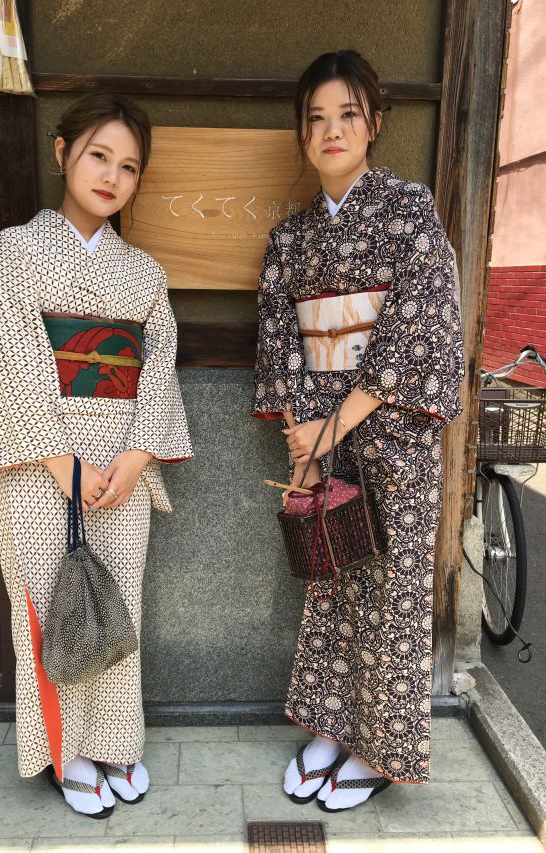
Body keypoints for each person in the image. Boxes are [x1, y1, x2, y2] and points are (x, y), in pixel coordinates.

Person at [0, 93, 193, 818]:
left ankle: (115, 741)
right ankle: (67, 754)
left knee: (119, 609)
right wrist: (64, 464)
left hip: (119, 469)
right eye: (98, 156)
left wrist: (136, 455)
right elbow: (7, 362)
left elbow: (158, 367)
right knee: (51, 611)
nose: (112, 176)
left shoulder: (143, 273)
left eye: (129, 166)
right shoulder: (17, 252)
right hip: (37, 467)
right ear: (62, 153)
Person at [253, 50, 464, 811]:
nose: (331, 131)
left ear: (374, 123)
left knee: (392, 588)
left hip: (393, 430)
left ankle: (377, 749)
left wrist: (333, 425)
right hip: (319, 430)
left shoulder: (410, 211)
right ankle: (330, 728)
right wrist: (302, 437)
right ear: (302, 133)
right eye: (316, 118)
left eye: (347, 114)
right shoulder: (291, 239)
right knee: (331, 582)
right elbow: (281, 341)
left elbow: (420, 323)